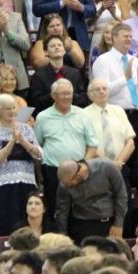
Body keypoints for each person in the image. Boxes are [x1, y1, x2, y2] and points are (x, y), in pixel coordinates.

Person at [34, 78, 98, 223]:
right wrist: (40, 174)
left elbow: (92, 145)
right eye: (62, 93)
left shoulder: (83, 114)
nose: (67, 97)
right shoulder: (42, 117)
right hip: (52, 172)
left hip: (79, 172)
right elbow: (37, 147)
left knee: (80, 212)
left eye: (69, 93)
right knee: (56, 213)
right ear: (53, 96)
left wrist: (83, 165)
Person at [0, 93, 43, 237]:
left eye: (13, 108)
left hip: (26, 180)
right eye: (7, 109)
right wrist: (12, 141)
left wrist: (22, 140)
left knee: (23, 218)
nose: (12, 112)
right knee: (4, 219)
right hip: (2, 182)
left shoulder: (27, 129)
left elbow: (39, 154)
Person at [55, 157, 128, 242]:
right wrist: (62, 236)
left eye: (69, 184)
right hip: (83, 225)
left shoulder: (107, 167)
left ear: (77, 175)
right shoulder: (64, 185)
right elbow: (62, 212)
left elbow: (121, 195)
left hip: (110, 222)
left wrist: (118, 224)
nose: (67, 186)